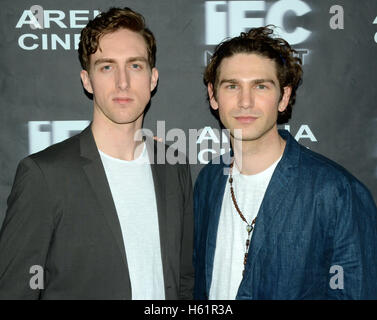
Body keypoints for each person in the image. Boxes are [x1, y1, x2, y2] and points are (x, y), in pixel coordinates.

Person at [0, 7, 194, 300]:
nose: (122, 82)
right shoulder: (44, 175)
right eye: (106, 67)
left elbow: (183, 281)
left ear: (152, 79)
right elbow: (16, 290)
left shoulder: (173, 165)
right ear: (87, 80)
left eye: (135, 66)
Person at [193, 26, 377, 299]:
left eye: (260, 86)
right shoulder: (209, 180)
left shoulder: (337, 193)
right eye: (232, 86)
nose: (245, 101)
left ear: (284, 97)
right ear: (213, 95)